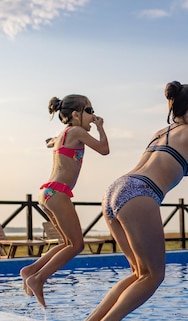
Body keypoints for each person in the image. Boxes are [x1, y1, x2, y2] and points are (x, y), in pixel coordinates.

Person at [78, 81, 188, 321]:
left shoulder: (160, 133)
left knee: (138, 272)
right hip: (141, 194)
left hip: (115, 191)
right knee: (154, 276)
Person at [21, 94, 110, 307]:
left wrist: (52, 141)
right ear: (75, 114)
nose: (93, 115)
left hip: (48, 193)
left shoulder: (64, 134)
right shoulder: (77, 131)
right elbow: (104, 150)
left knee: (67, 243)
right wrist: (100, 128)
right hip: (58, 193)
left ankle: (31, 270)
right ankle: (38, 278)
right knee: (77, 245)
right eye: (89, 111)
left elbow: (49, 142)